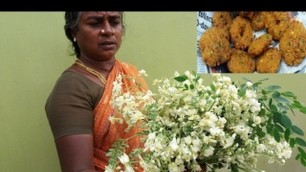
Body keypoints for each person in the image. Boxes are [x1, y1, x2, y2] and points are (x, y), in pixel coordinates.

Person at [45, 11, 148, 172]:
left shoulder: (130, 74)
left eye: (114, 22)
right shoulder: (72, 88)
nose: (108, 30)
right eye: (95, 23)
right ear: (74, 32)